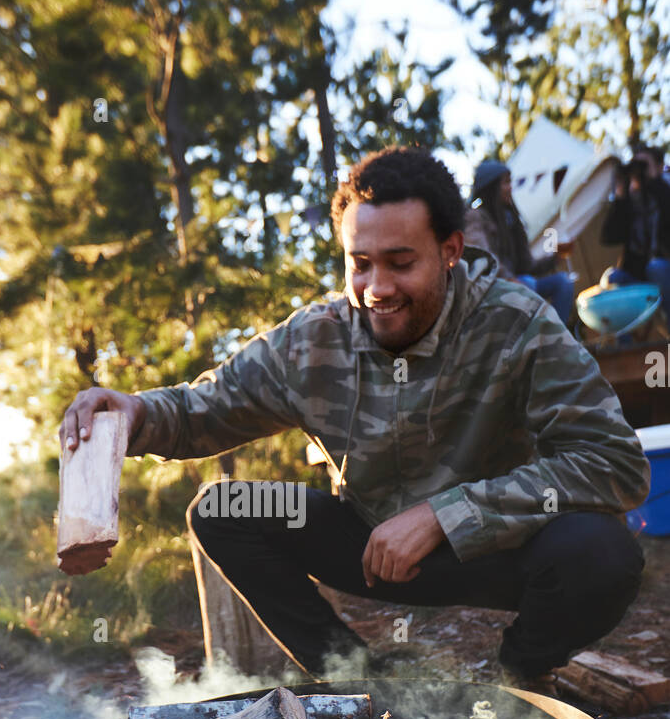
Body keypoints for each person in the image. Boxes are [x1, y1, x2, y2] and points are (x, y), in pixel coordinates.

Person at [60, 146, 649, 684]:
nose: (376, 288)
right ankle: (356, 679)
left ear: (449, 251)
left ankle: (519, 673)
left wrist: (447, 516)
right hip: (367, 542)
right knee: (223, 508)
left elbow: (615, 465)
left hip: (494, 550)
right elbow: (203, 409)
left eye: (399, 262)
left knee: (602, 552)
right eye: (360, 263)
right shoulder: (315, 338)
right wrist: (135, 411)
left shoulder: (518, 323)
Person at [463, 160, 576, 325]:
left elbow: (527, 265)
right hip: (495, 290)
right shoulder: (476, 218)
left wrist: (554, 258)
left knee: (562, 282)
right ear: (492, 187)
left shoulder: (510, 218)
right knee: (527, 284)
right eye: (506, 182)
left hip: (521, 284)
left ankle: (556, 336)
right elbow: (483, 259)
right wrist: (510, 280)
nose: (511, 187)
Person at [600, 144, 670, 315]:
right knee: (612, 277)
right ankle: (624, 341)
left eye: (644, 165)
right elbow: (608, 237)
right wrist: (620, 195)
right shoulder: (631, 202)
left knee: (655, 267)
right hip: (637, 275)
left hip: (663, 269)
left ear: (660, 167)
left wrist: (654, 179)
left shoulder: (665, 191)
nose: (639, 171)